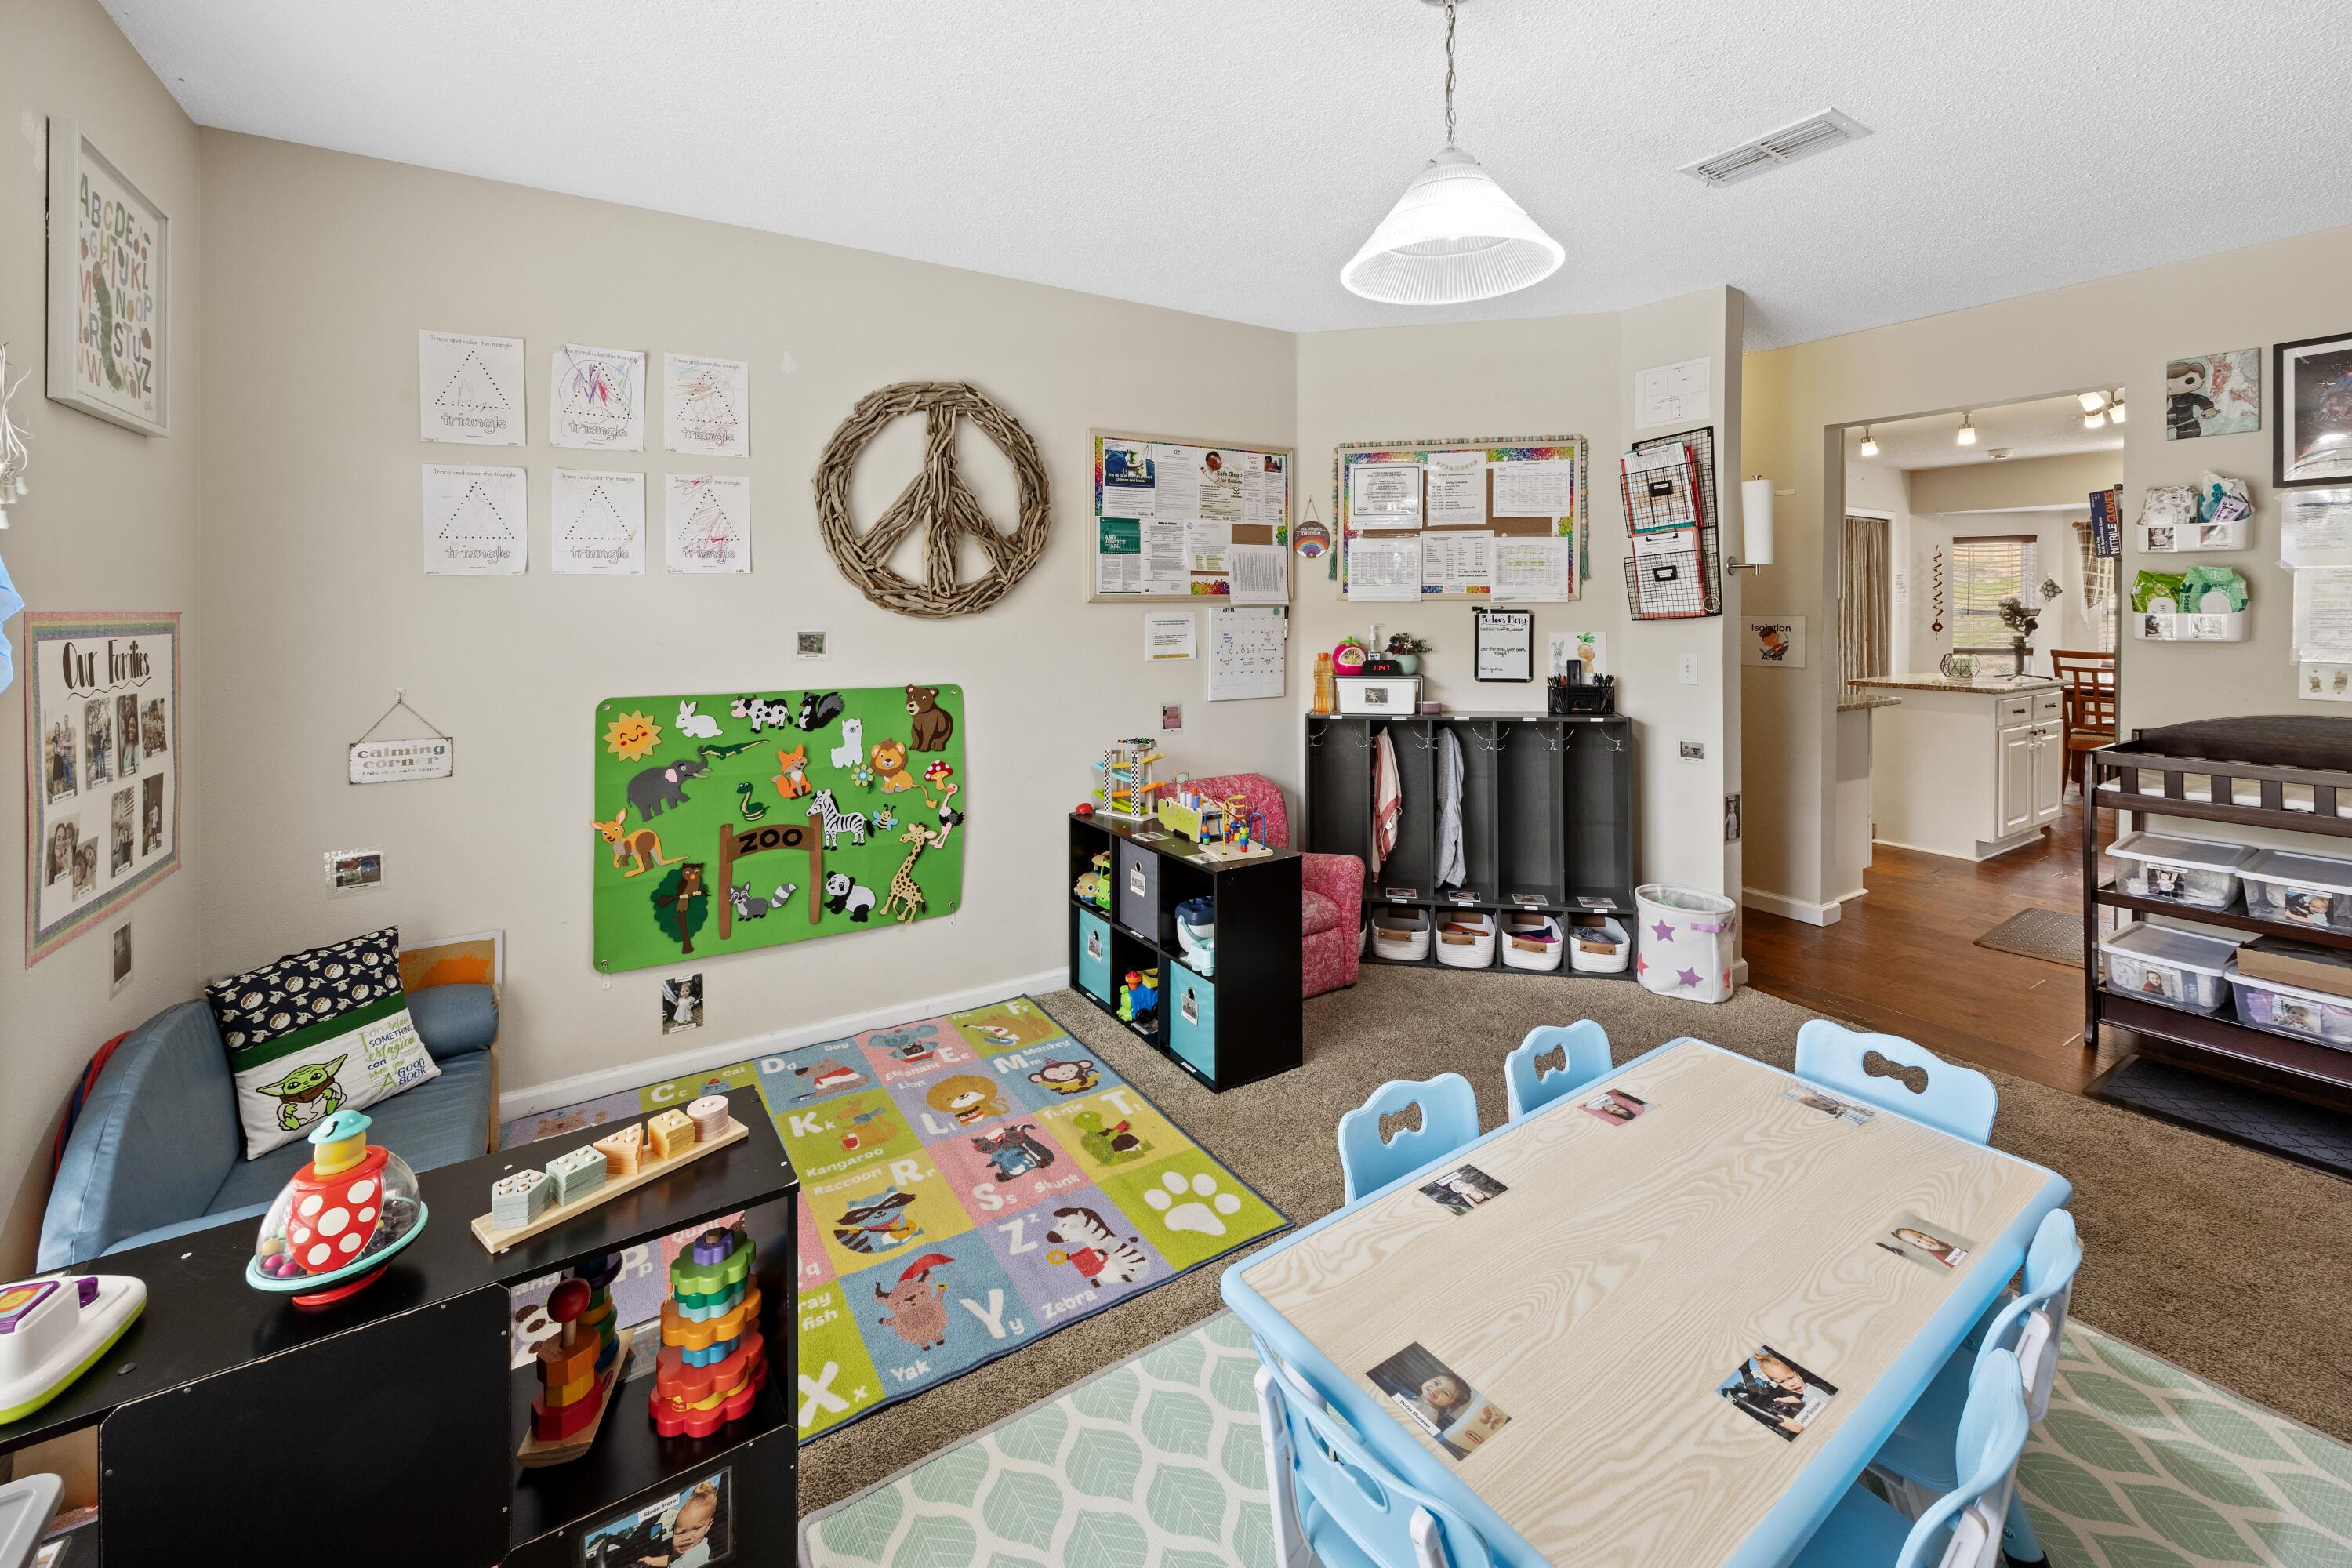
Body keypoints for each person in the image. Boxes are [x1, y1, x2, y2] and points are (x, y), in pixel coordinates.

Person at [1722, 1352, 1824, 1437]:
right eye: (1782, 1382)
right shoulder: (1807, 1392)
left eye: (1791, 1377)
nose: (1792, 1384)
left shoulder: (1814, 1393)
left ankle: (1745, 1371)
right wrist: (1788, 1400)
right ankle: (1745, 1371)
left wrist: (1800, 1428)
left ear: (1798, 1375)